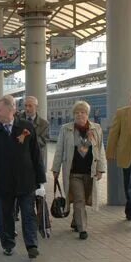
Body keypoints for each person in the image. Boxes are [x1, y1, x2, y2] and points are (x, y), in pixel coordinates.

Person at [0, 95, 46, 259]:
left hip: (26, 180)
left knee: (28, 213)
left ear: (10, 110)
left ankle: (32, 245)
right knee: (7, 215)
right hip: (3, 183)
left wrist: (40, 181)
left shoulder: (26, 127)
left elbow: (36, 155)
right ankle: (8, 243)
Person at [51, 101, 106, 240]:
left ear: (88, 114)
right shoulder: (66, 129)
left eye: (83, 112)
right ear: (73, 114)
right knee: (79, 199)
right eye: (77, 112)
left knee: (85, 199)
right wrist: (56, 169)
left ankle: (76, 221)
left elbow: (100, 149)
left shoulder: (96, 128)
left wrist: (101, 169)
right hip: (73, 172)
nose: (80, 115)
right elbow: (59, 150)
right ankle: (83, 229)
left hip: (90, 171)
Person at [106, 89, 131, 221]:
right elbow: (114, 134)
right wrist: (110, 152)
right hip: (128, 155)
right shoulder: (122, 113)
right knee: (129, 184)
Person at [21, 96, 50, 168]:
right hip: (19, 160)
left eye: (30, 106)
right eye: (25, 106)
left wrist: (29, 136)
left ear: (36, 107)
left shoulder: (44, 124)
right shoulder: (17, 120)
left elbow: (43, 141)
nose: (27, 108)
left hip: (36, 160)